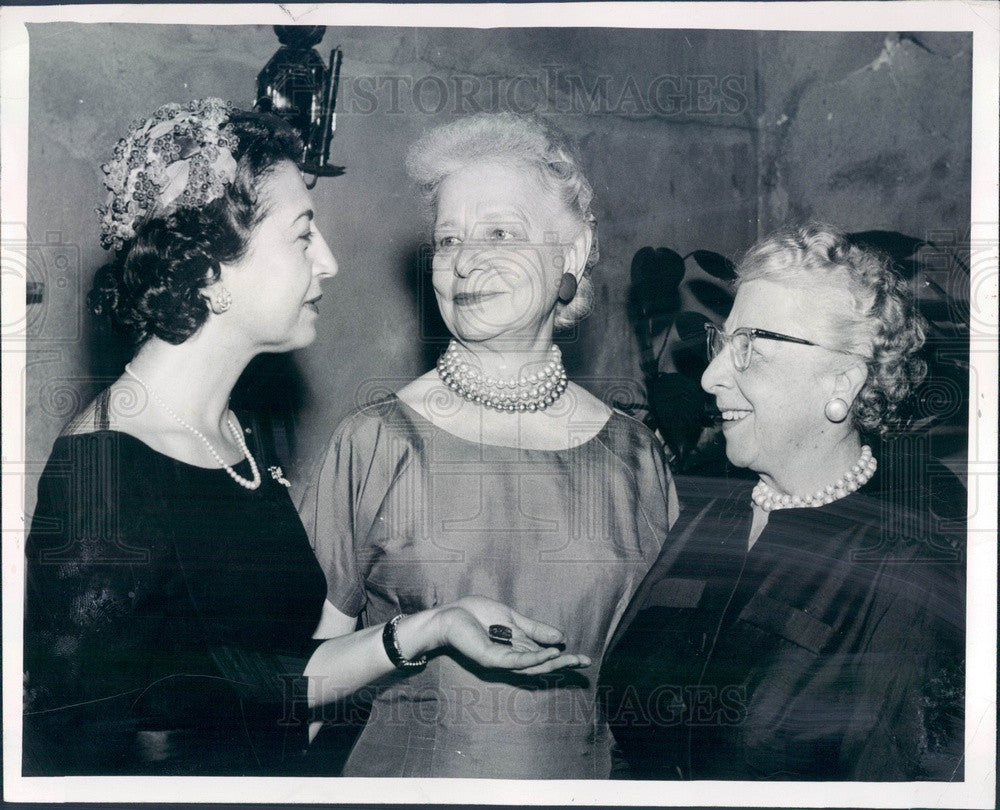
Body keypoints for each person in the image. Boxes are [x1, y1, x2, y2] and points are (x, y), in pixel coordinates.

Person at [22, 99, 586, 776]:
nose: (328, 261)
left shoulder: (230, 435)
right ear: (210, 274)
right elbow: (73, 752)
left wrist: (433, 626)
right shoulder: (102, 479)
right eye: (300, 236)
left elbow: (278, 676)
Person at [300, 112, 679, 779]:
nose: (467, 261)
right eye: (448, 240)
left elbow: (661, 696)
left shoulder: (636, 461)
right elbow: (294, 686)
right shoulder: (377, 443)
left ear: (574, 253)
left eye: (500, 232)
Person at [600, 223, 966, 780]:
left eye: (750, 346)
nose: (710, 377)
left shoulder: (906, 570)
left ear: (841, 382)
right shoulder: (703, 514)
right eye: (723, 344)